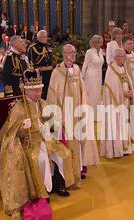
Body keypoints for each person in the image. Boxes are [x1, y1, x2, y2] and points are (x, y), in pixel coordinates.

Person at [0, 69, 77, 220]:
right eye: (35, 90)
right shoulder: (19, 107)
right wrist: (22, 127)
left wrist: (52, 127)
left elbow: (52, 123)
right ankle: (41, 193)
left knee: (63, 154)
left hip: (45, 138)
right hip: (28, 143)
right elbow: (10, 134)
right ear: (26, 90)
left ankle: (58, 184)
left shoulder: (43, 103)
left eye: (40, 89)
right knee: (39, 160)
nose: (38, 93)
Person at [47, 44, 100, 180]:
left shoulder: (77, 69)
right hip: (65, 113)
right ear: (63, 54)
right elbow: (53, 96)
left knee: (81, 140)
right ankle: (69, 170)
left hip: (78, 111)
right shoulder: (57, 72)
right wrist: (58, 115)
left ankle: (81, 168)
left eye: (74, 52)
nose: (72, 55)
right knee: (69, 142)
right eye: (69, 52)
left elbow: (83, 90)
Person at [101, 49, 134, 159]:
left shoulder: (122, 68)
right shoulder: (111, 71)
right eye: (122, 56)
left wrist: (131, 92)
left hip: (125, 103)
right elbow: (111, 91)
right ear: (116, 57)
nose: (125, 58)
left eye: (124, 56)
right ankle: (116, 149)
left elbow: (128, 83)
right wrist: (124, 94)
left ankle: (125, 147)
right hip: (115, 105)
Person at [82, 35, 104, 114]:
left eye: (101, 42)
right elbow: (85, 64)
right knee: (91, 94)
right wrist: (82, 76)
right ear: (94, 43)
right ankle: (89, 114)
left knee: (98, 94)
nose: (101, 44)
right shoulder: (89, 52)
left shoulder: (101, 51)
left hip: (99, 76)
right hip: (90, 77)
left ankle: (96, 114)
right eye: (99, 42)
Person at [28, 30, 54, 99]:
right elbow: (30, 63)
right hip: (40, 74)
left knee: (49, 91)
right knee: (40, 93)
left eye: (46, 37)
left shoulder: (48, 46)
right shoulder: (33, 48)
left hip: (49, 73)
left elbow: (51, 60)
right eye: (45, 37)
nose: (47, 38)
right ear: (39, 38)